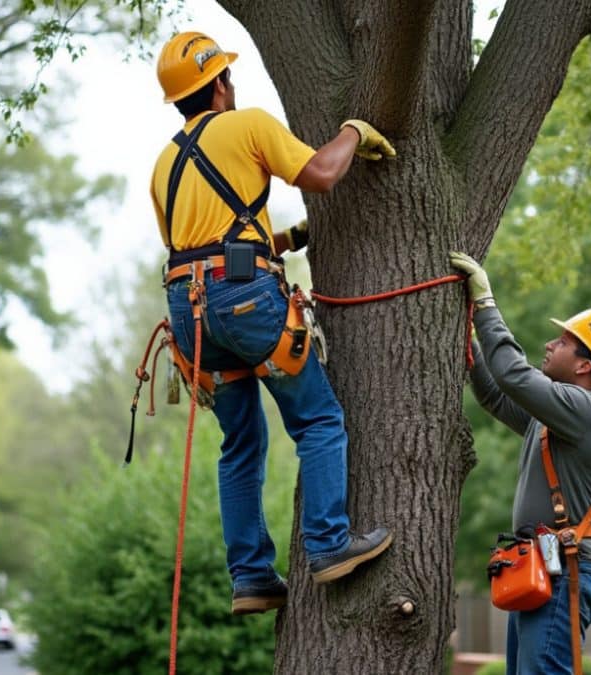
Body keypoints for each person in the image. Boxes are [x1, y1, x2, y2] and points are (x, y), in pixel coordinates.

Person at [150, 31, 395, 616]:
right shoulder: (248, 123)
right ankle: (330, 545)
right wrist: (354, 130)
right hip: (244, 303)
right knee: (317, 419)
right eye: (228, 78)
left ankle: (252, 577)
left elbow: (199, 248)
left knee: (240, 443)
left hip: (191, 314)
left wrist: (285, 240)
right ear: (218, 85)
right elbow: (321, 173)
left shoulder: (163, 166)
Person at [449, 252, 591, 674]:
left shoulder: (587, 411)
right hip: (543, 565)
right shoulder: (558, 416)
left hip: (565, 570)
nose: (550, 345)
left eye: (563, 342)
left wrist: (484, 304)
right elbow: (498, 396)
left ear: (586, 364)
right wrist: (467, 340)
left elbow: (514, 375)